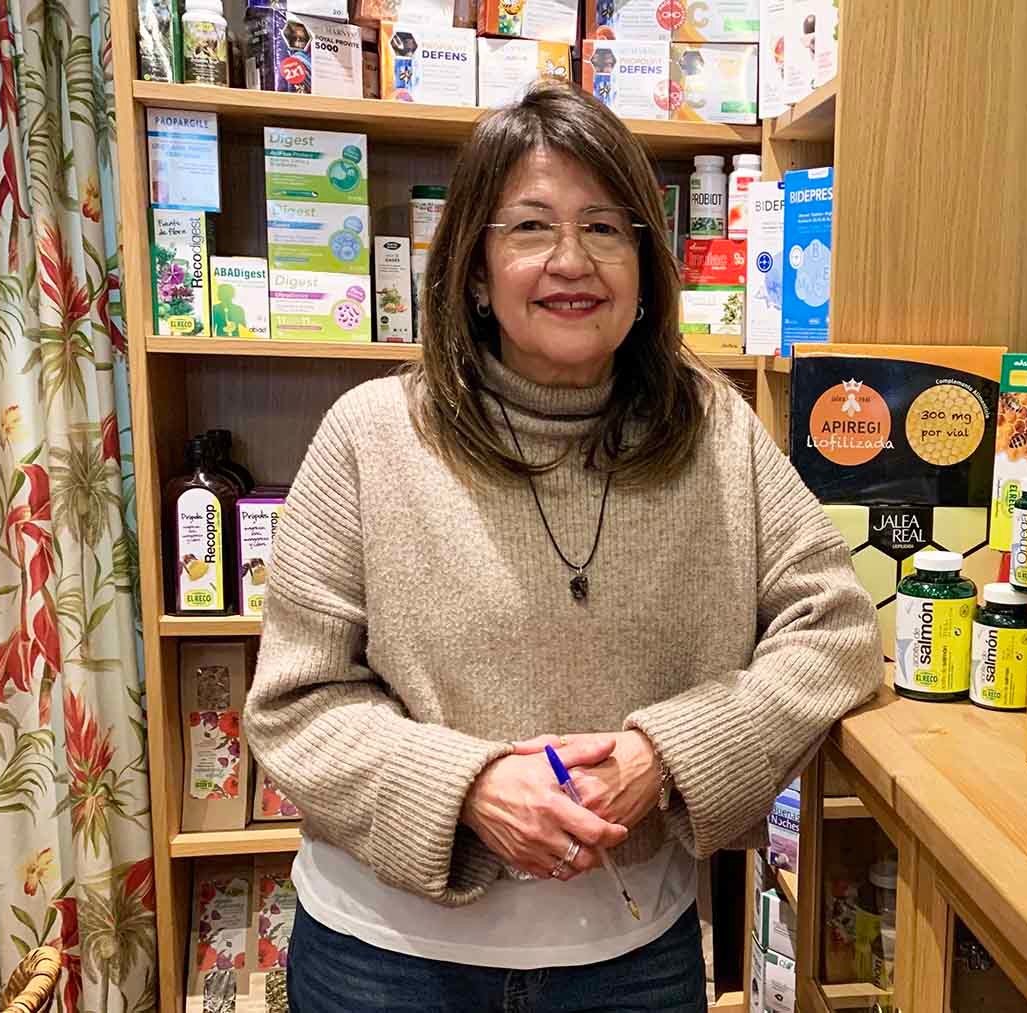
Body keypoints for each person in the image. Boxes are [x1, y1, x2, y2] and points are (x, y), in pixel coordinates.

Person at [243, 83, 883, 1012]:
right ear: (472, 268)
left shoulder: (715, 432)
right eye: (531, 228)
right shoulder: (370, 435)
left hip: (633, 957)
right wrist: (469, 788)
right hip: (385, 962)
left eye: (606, 228)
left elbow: (838, 629)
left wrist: (662, 756)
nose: (572, 261)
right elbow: (294, 704)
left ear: (644, 264)